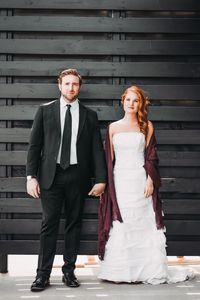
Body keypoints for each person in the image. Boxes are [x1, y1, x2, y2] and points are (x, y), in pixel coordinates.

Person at [98, 85, 194, 284]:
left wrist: (151, 179)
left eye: (136, 101)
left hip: (141, 180)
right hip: (121, 180)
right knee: (122, 221)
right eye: (128, 100)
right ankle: (121, 271)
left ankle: (148, 270)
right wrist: (106, 186)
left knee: (143, 222)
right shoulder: (113, 128)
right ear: (122, 102)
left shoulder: (147, 126)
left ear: (140, 104)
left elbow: (151, 157)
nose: (131, 104)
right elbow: (109, 160)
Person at [26, 68, 107, 291]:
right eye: (67, 84)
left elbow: (96, 151)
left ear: (79, 87)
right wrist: (31, 176)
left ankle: (69, 272)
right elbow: (34, 146)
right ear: (60, 85)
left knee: (74, 224)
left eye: (75, 84)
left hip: (77, 176)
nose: (71, 88)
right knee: (48, 225)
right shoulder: (45, 111)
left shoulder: (90, 115)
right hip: (50, 177)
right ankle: (42, 275)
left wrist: (101, 179)